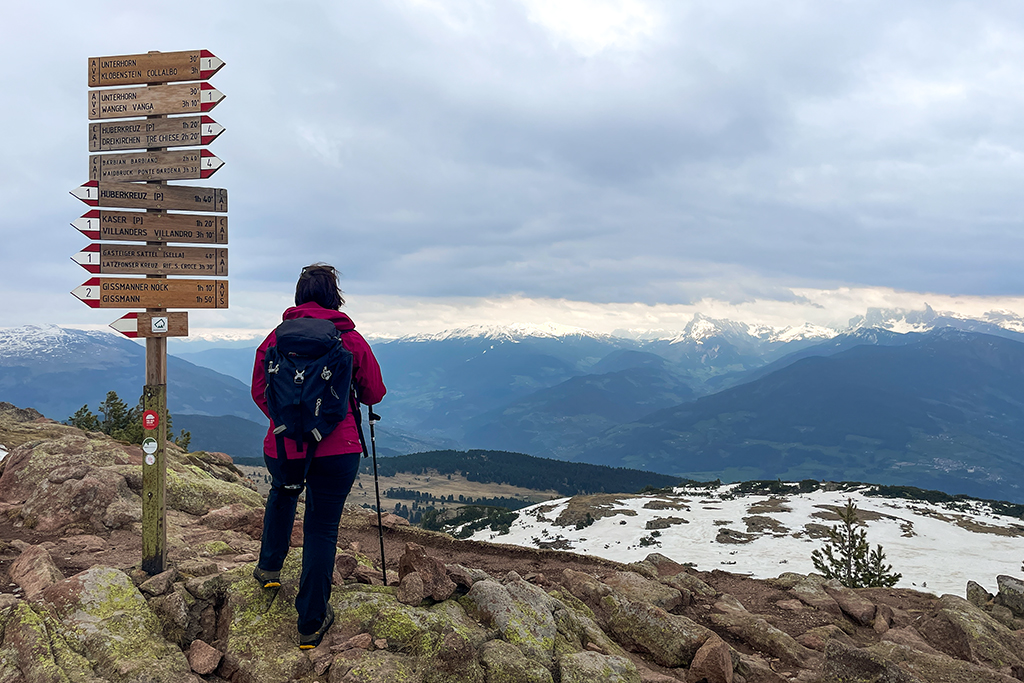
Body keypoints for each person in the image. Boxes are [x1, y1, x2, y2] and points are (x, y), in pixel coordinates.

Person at [250, 263, 386, 649]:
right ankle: (310, 623)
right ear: (334, 298)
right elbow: (374, 392)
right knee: (321, 529)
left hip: (284, 446)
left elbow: (261, 391)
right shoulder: (349, 340)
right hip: (338, 448)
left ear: (298, 297)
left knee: (283, 493)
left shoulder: (274, 340)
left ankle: (269, 567)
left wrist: (288, 423)